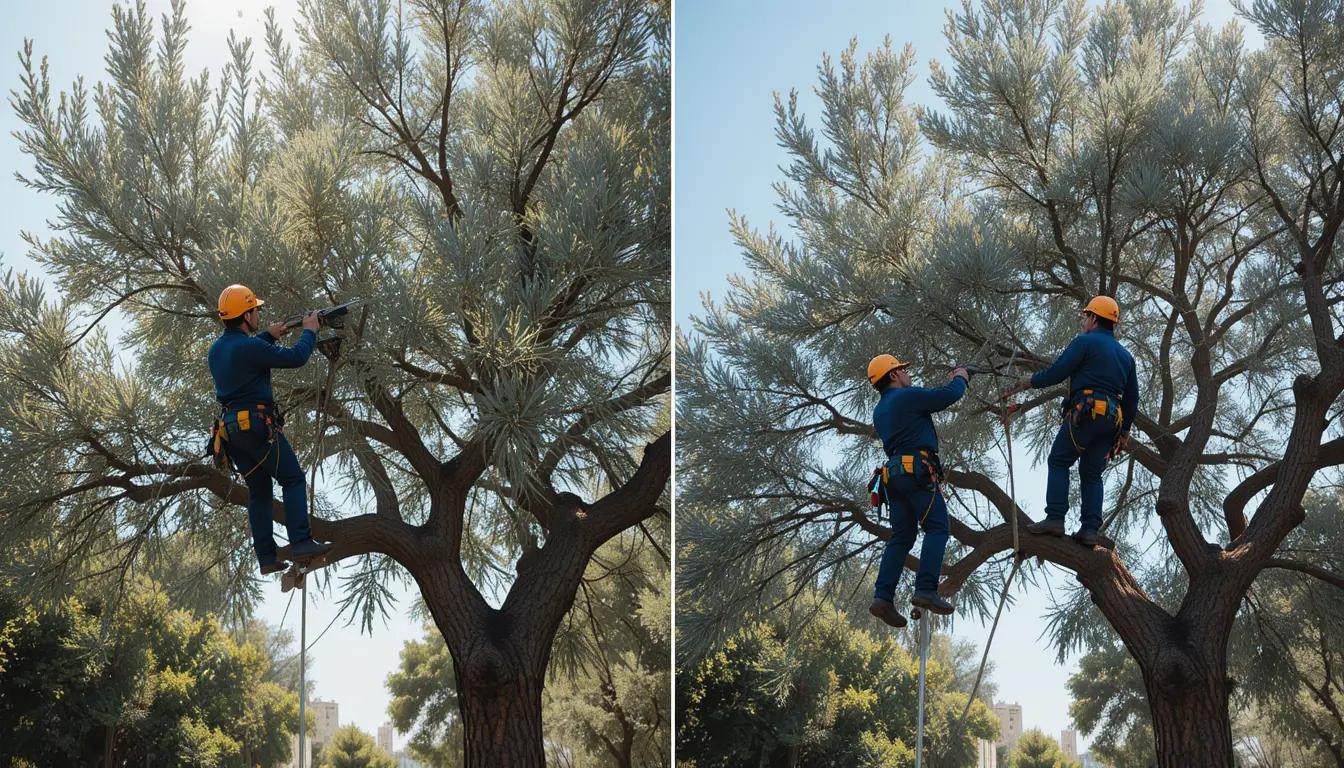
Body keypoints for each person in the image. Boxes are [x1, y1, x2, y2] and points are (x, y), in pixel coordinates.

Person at [209, 284, 334, 574]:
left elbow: (243, 354)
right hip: (256, 426)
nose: (258, 315)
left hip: (232, 432)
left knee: (260, 490)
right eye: (255, 310)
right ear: (246, 315)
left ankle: (266, 558)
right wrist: (310, 330)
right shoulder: (250, 347)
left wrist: (269, 335)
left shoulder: (217, 350)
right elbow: (296, 357)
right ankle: (301, 542)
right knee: (292, 478)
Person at [1001, 295, 1138, 547]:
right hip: (1111, 421)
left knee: (1059, 460)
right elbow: (1132, 399)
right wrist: (1125, 432)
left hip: (1086, 413)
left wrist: (1029, 382)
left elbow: (1058, 372)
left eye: (1086, 317)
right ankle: (1090, 530)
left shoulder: (1084, 342)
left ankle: (1055, 518)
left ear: (1094, 318)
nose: (1084, 322)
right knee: (1091, 473)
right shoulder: (1126, 357)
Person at [866, 354, 968, 628]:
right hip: (915, 470)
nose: (907, 374)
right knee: (937, 528)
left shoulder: (880, 410)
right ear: (893, 375)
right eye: (902, 370)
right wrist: (961, 377)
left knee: (901, 537)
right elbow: (948, 396)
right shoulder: (905, 396)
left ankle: (882, 597)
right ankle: (925, 589)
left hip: (893, 476)